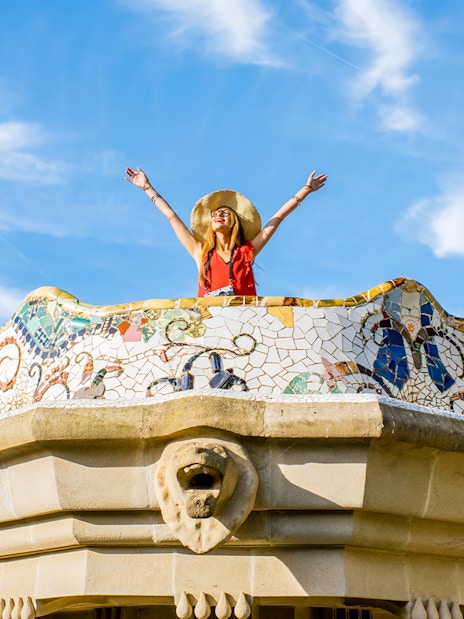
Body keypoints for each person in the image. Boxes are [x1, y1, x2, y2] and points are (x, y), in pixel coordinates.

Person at [125, 167, 327, 297]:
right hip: (211, 324)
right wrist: (147, 188)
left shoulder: (246, 252)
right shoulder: (201, 252)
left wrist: (305, 190)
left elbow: (278, 218)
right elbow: (171, 217)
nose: (218, 215)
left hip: (245, 322)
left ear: (235, 223)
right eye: (214, 213)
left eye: (225, 213)